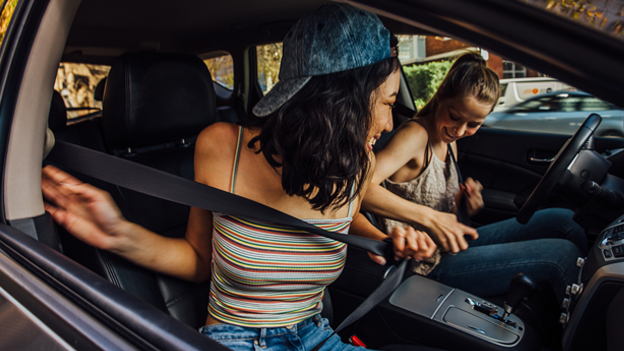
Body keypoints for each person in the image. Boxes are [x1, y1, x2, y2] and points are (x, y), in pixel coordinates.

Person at [42, 4, 440, 351]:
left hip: (319, 336)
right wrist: (116, 234)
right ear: (339, 103)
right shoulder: (221, 147)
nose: (390, 123)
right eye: (387, 103)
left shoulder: (355, 164)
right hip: (238, 341)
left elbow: (337, 217)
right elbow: (201, 260)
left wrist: (384, 239)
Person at [362, 52, 587, 304]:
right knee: (561, 256)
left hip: (449, 246)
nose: (460, 131)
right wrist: (430, 217)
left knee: (563, 219)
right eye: (455, 117)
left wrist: (465, 204)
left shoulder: (449, 141)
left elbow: (435, 203)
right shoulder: (416, 135)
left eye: (474, 124)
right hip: (423, 264)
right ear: (441, 96)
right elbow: (359, 190)